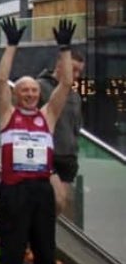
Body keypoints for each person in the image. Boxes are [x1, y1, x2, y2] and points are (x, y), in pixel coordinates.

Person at [0, 17, 76, 264]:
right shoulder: (7, 114)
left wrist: (65, 49)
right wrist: (11, 46)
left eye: (32, 91)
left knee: (44, 250)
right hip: (14, 190)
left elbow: (66, 84)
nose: (28, 94)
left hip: (41, 189)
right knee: (12, 251)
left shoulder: (47, 116)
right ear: (17, 95)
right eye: (24, 90)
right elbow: (1, 80)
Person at [37, 48, 85, 216]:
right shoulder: (40, 87)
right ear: (59, 65)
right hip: (49, 155)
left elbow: (76, 126)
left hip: (68, 157)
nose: (76, 75)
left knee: (63, 208)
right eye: (73, 69)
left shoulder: (75, 96)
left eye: (79, 71)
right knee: (57, 199)